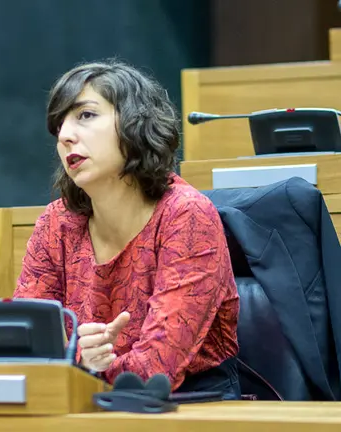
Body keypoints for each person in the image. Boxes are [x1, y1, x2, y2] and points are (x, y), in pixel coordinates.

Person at [13, 60, 240, 398]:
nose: (65, 135)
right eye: (59, 126)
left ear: (134, 124)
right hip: (86, 401)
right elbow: (23, 346)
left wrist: (78, 365)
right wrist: (77, 359)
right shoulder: (57, 222)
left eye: (85, 116)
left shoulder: (187, 215)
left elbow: (157, 365)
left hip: (190, 405)